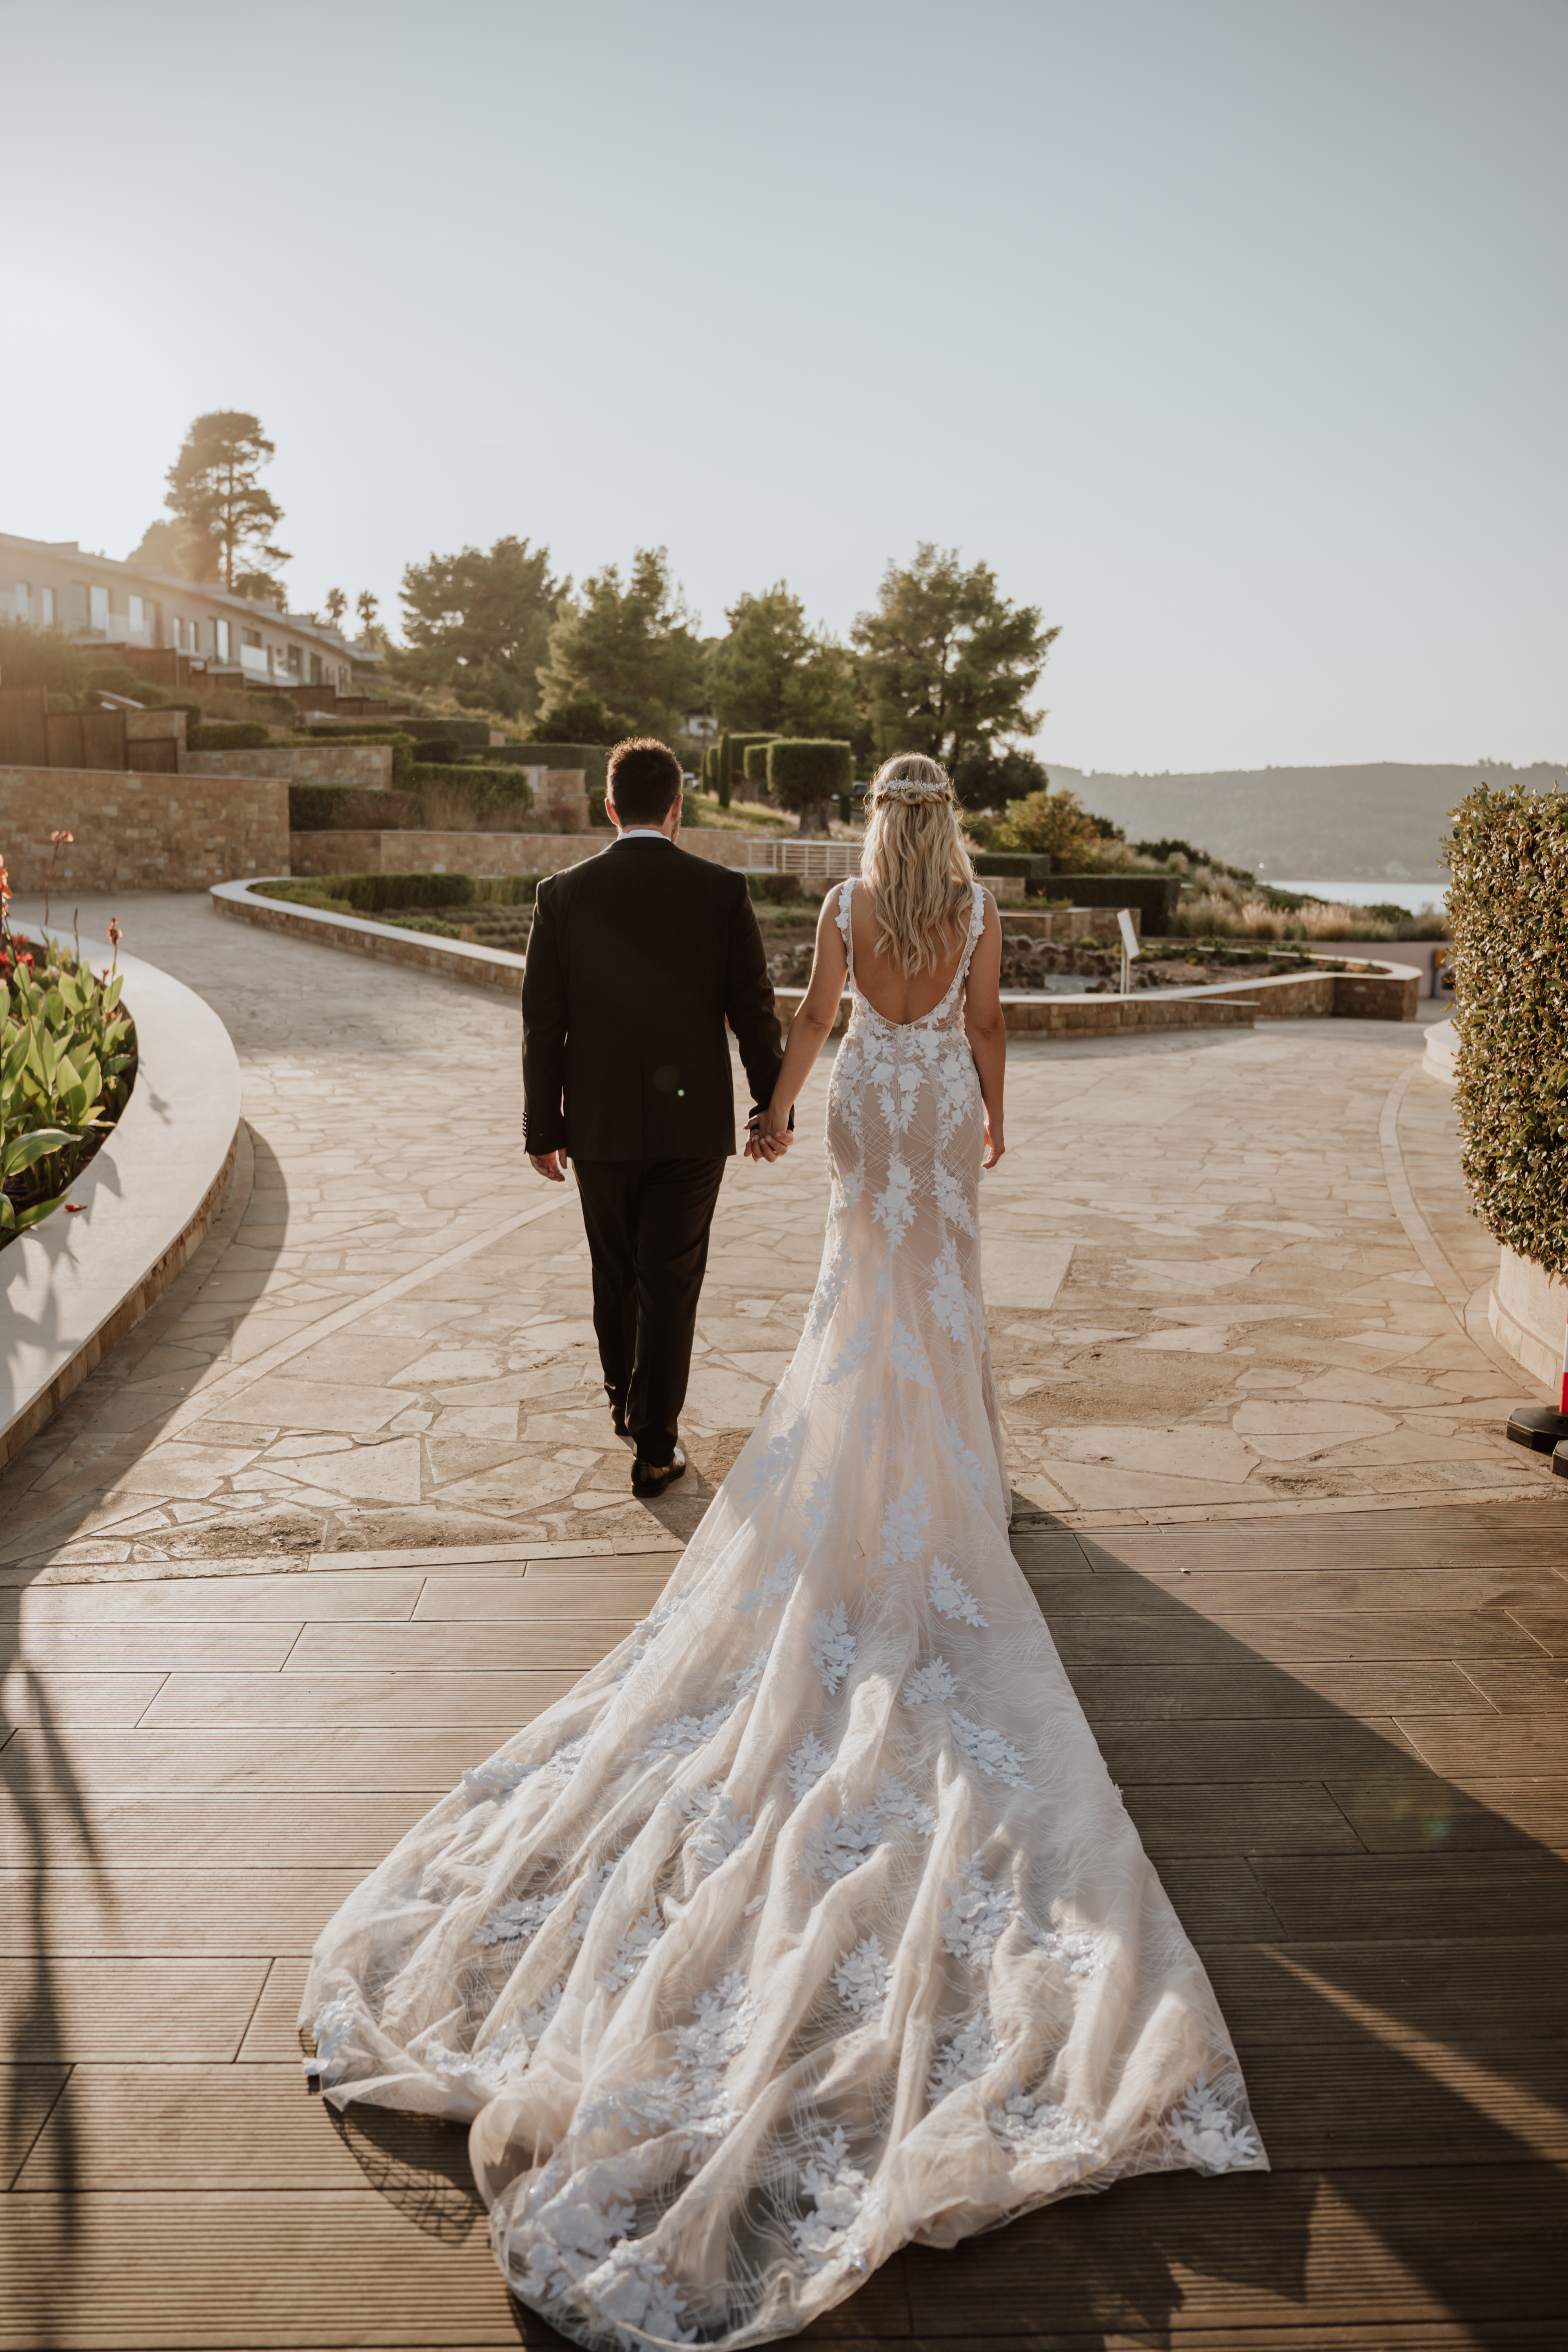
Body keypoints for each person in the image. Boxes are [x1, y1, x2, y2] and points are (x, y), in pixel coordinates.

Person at [301, 752, 1265, 2350]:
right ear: (945, 831)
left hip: (870, 1116)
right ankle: (949, 1486)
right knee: (935, 1300)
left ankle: (840, 1477)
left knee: (858, 1301)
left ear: (872, 834)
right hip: (936, 1112)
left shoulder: (841, 905)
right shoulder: (972, 916)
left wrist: (790, 1106)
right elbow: (985, 1030)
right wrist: (994, 1122)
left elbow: (814, 1024)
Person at [520, 737, 790, 1497]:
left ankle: (624, 1406)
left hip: (599, 1127)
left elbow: (543, 1024)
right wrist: (771, 1107)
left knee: (616, 1275)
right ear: (677, 809)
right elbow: (753, 1013)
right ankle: (656, 1443)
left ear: (611, 808)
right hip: (690, 1128)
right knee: (670, 1280)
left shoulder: (561, 894)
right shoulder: (721, 890)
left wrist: (544, 1127)